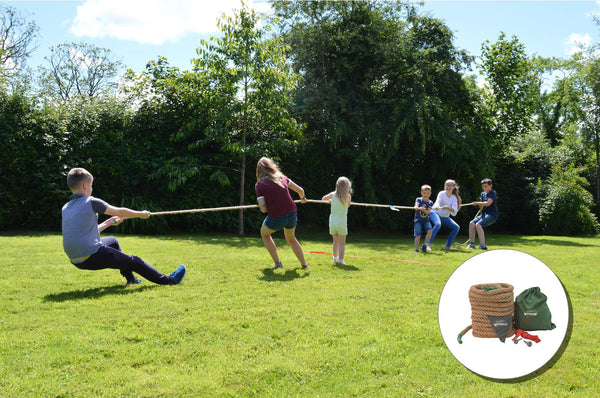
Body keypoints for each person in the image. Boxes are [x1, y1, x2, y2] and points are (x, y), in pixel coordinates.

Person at [61, 168, 186, 286]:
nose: (91, 188)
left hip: (76, 260)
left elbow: (86, 232)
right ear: (84, 186)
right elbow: (119, 211)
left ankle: (130, 278)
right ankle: (169, 281)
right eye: (91, 185)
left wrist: (110, 222)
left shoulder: (66, 207)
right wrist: (140, 214)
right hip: (91, 256)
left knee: (113, 241)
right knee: (135, 261)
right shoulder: (91, 202)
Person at [255, 157, 309, 270]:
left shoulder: (259, 184)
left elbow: (263, 210)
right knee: (291, 238)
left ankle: (277, 263)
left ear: (259, 171)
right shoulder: (282, 177)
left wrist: (263, 205)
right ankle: (304, 265)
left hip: (277, 216)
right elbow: (301, 190)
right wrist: (303, 198)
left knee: (265, 234)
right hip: (291, 213)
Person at [321, 177, 352, 265]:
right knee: (342, 243)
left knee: (335, 241)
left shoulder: (332, 194)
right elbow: (348, 205)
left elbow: (323, 199)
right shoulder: (348, 196)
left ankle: (335, 258)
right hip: (342, 221)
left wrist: (331, 201)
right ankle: (341, 260)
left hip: (333, 221)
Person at [428, 179, 461, 250]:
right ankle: (428, 244)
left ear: (453, 187)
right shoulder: (441, 193)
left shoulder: (454, 197)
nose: (447, 187)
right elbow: (437, 202)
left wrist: (449, 208)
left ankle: (447, 246)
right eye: (446, 185)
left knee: (456, 227)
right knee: (438, 224)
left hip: (444, 217)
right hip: (435, 213)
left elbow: (454, 210)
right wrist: (436, 205)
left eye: (449, 185)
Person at [467, 178, 498, 250]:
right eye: (483, 186)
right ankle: (471, 244)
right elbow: (482, 204)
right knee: (471, 223)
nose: (484, 188)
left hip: (492, 214)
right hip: (484, 214)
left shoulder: (492, 193)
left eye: (486, 186)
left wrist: (477, 203)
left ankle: (483, 246)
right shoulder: (483, 194)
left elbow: (488, 203)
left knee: (478, 224)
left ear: (491, 186)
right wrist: (480, 207)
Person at [414, 184, 434, 253]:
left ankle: (425, 245)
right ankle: (416, 249)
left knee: (430, 231)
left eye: (428, 193)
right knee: (418, 234)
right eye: (424, 193)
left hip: (426, 220)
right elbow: (416, 206)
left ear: (430, 193)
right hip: (418, 220)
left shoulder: (430, 202)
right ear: (421, 193)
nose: (426, 195)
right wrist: (416, 207)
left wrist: (423, 210)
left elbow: (428, 212)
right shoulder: (418, 199)